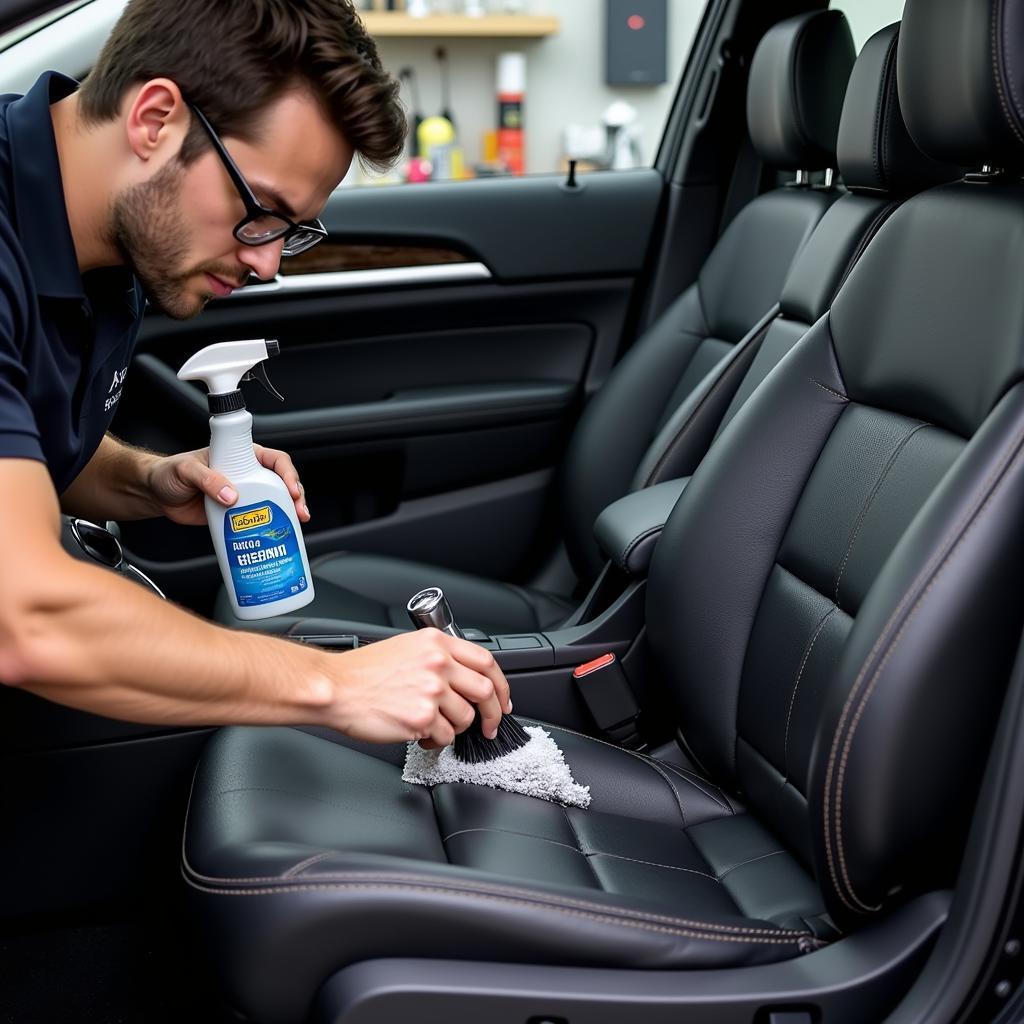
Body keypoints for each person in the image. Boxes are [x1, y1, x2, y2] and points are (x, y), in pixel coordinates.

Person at [0, 0, 512, 750]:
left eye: (290, 232)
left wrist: (150, 480)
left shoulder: (113, 243)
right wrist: (338, 684)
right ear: (155, 119)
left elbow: (28, 443)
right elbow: (24, 616)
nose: (266, 262)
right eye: (262, 212)